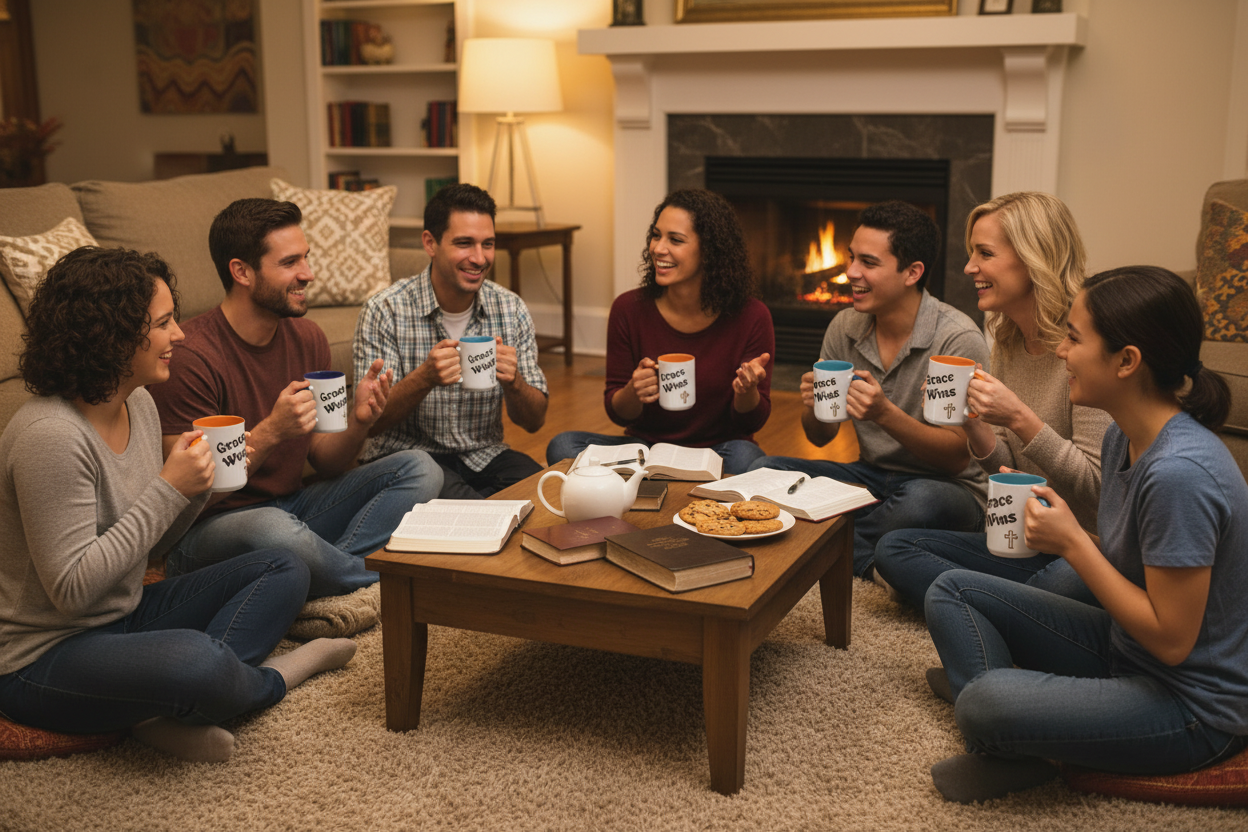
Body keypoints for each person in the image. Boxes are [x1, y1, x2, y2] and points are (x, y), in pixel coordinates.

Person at [0, 247, 356, 763]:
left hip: (123, 614)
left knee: (283, 567)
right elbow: (72, 593)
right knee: (195, 662)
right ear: (114, 334)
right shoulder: (50, 436)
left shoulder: (137, 403)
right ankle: (267, 679)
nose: (181, 335)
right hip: (41, 655)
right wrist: (168, 487)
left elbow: (155, 549)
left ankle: (162, 708)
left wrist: (197, 489)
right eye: (165, 323)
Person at [922, 266, 1248, 804]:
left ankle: (995, 715)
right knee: (952, 589)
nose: (1061, 351)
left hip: (1192, 708)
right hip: (1127, 650)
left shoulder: (1180, 473)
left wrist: (1072, 540)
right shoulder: (1126, 436)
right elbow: (1127, 562)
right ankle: (1007, 719)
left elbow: (1172, 641)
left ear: (1127, 361)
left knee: (985, 702)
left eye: (1074, 337)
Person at [148, 199, 443, 598]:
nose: (309, 274)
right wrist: (271, 431)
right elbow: (191, 496)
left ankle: (327, 573)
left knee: (421, 469)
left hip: (297, 508)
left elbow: (326, 459)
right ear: (242, 272)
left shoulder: (309, 338)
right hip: (209, 530)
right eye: (290, 263)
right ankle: (368, 580)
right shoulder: (189, 357)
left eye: (306, 258)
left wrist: (360, 422)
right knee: (273, 528)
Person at [874, 192, 1113, 608]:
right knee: (894, 549)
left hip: (1084, 548)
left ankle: (989, 604)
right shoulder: (1007, 339)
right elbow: (1007, 467)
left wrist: (1020, 416)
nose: (969, 268)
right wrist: (972, 422)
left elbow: (1096, 489)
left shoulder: (1088, 345)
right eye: (972, 253)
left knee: (1058, 587)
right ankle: (1004, 606)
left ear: (1034, 258)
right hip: (1020, 537)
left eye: (985, 253)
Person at [748, 200, 990, 579]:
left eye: (868, 263)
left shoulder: (956, 338)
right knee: (765, 470)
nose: (850, 273)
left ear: (912, 272)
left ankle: (813, 548)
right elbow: (820, 438)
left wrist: (884, 414)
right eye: (851, 258)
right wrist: (813, 407)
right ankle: (871, 558)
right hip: (872, 478)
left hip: (946, 488)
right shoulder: (845, 327)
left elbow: (957, 459)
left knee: (920, 503)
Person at [545, 188, 774, 476]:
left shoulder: (751, 315)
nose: (657, 248)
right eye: (656, 235)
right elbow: (617, 412)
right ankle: (680, 487)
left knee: (749, 459)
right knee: (563, 445)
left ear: (710, 251)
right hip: (645, 450)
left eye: (675, 240)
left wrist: (746, 391)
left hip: (719, 451)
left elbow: (751, 423)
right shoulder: (628, 309)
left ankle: (652, 488)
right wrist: (633, 391)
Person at [353, 183, 549, 499]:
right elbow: (370, 425)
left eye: (488, 244)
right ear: (430, 243)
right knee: (475, 511)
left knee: (541, 495)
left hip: (484, 454)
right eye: (464, 243)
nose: (479, 258)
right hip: (410, 460)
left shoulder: (511, 308)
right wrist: (424, 378)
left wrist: (515, 383)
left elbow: (535, 421)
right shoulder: (385, 310)